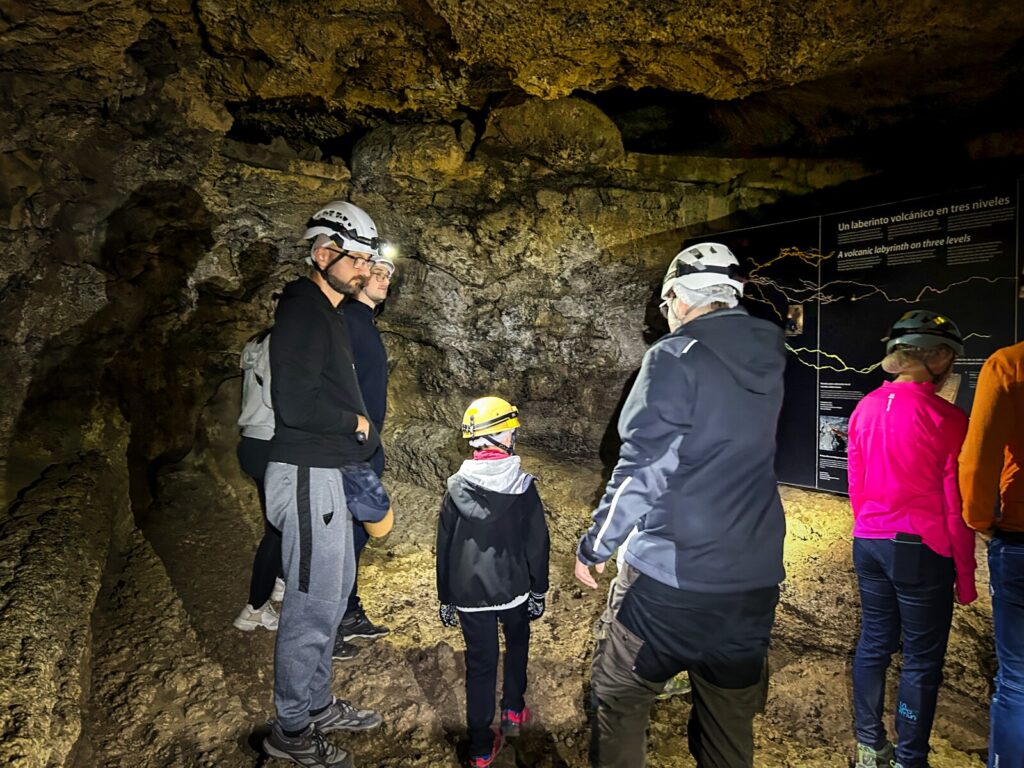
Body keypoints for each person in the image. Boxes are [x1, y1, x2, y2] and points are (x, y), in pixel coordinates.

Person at [576, 242, 787, 768]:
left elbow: (644, 468)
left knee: (619, 700)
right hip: (752, 584)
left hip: (670, 581)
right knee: (728, 723)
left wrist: (596, 545)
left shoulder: (674, 356)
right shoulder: (770, 353)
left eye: (666, 303)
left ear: (677, 296)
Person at [261, 201, 386, 768]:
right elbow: (295, 402)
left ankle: (314, 703)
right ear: (323, 253)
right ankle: (290, 730)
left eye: (368, 258)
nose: (365, 268)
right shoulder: (303, 310)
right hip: (308, 473)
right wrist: (355, 424)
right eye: (356, 258)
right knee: (311, 607)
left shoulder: (329, 312)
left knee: (332, 599)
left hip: (329, 475)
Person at [846, 310, 977, 768]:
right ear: (938, 356)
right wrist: (965, 575)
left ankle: (869, 746)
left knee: (874, 643)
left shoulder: (863, 409)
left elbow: (856, 488)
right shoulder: (946, 418)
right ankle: (909, 758)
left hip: (869, 542)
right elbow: (954, 509)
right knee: (921, 661)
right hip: (920, 549)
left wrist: (871, 531)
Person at [436, 396, 550, 768]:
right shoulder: (522, 487)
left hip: (469, 595)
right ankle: (514, 710)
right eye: (511, 429)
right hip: (513, 588)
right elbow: (537, 543)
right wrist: (539, 589)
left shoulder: (455, 486)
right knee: (517, 644)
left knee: (480, 666)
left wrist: (446, 597)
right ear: (499, 434)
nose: (515, 434)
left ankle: (481, 748)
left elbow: (445, 544)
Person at [959, 340, 1024, 768]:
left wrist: (980, 520)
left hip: (1020, 534)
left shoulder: (1009, 364)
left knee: (1018, 681)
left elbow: (978, 456)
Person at [333, 254, 397, 659]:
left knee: (356, 536)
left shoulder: (363, 325)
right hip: (348, 450)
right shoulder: (345, 323)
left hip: (363, 446)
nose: (383, 278)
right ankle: (329, 625)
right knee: (337, 539)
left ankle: (347, 612)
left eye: (388, 274)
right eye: (375, 272)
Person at [233, 327, 287, 632]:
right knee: (279, 530)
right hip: (269, 442)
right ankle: (254, 607)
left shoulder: (255, 341)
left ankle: (279, 582)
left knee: (276, 522)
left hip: (253, 441)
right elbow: (276, 396)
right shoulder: (277, 342)